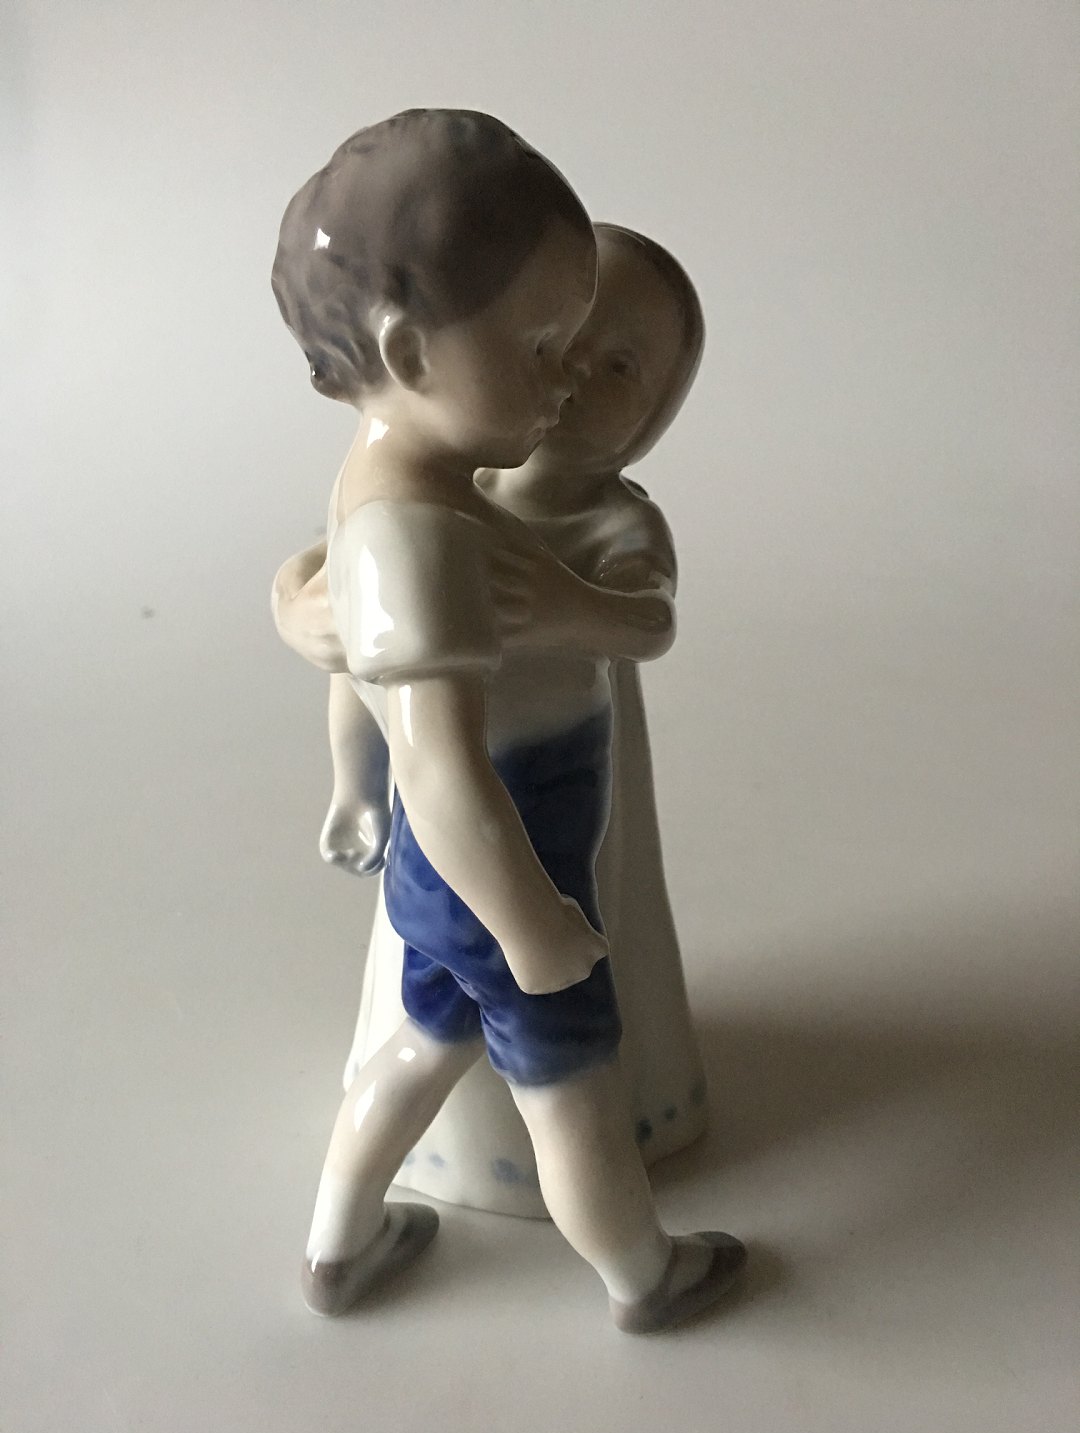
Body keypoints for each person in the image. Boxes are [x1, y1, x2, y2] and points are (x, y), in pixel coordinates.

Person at [271, 109, 746, 1332]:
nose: (564, 376)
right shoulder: (423, 538)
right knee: (570, 1087)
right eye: (542, 345)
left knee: (421, 1049)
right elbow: (440, 769)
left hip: (454, 874)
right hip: (506, 852)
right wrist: (532, 924)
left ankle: (339, 1246)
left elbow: (362, 652)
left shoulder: (409, 481)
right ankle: (644, 1273)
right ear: (411, 353)